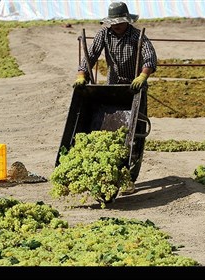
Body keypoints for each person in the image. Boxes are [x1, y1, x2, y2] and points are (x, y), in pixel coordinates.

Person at [73, 2, 158, 195]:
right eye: (113, 23)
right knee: (109, 130)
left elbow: (150, 58)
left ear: (127, 20)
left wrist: (143, 75)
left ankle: (129, 177)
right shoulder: (104, 34)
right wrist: (81, 74)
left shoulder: (138, 36)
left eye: (119, 23)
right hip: (113, 87)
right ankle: (106, 171)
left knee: (134, 134)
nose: (116, 26)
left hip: (134, 88)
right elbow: (91, 54)